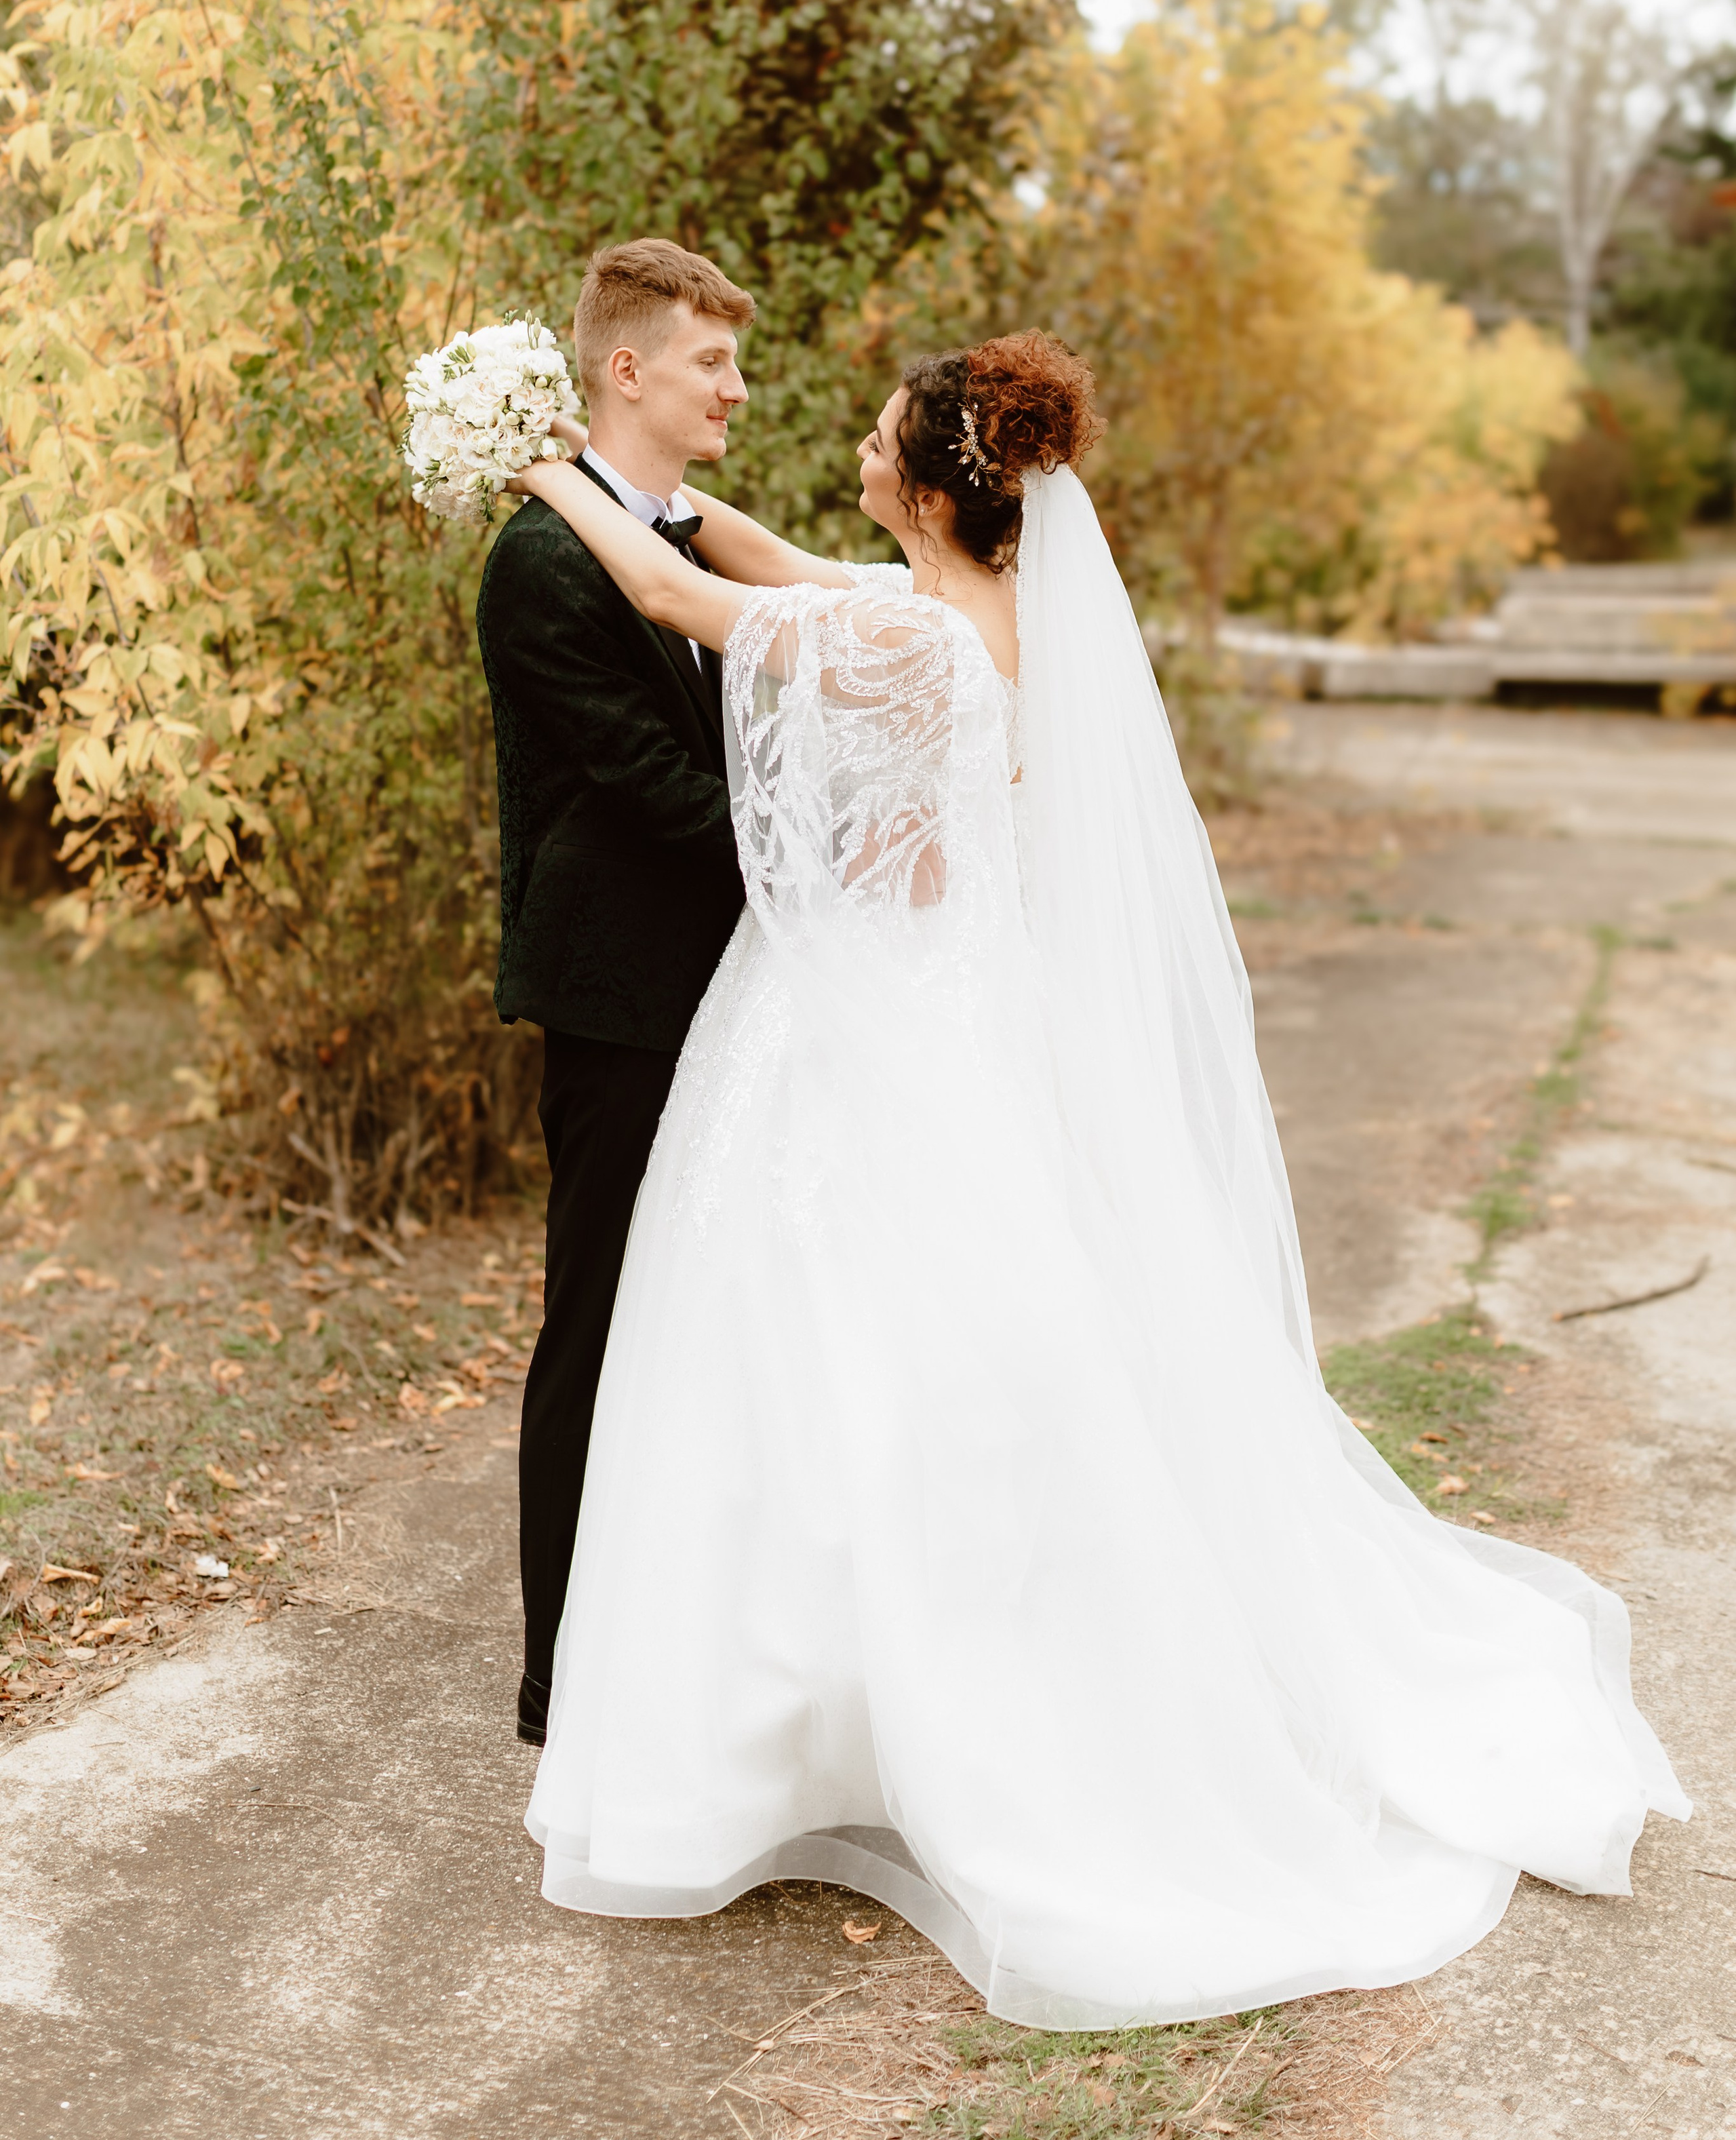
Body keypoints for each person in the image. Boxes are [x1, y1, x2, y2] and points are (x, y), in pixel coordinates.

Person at [503, 330, 1686, 2028]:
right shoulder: (973, 615)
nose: (848, 449)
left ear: (927, 484)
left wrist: (546, 475)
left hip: (866, 1020)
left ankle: (840, 1721)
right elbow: (759, 562)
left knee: (817, 1346)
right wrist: (683, 505)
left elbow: (685, 606)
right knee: (903, 1353)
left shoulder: (907, 638)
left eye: (873, 436)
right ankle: (855, 1700)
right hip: (947, 1006)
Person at [473, 239, 754, 1749]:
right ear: (623, 370)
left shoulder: (687, 538)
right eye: (709, 361)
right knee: (592, 1326)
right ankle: (559, 1679)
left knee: (708, 1322)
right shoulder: (537, 561)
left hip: (726, 989)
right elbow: (652, 789)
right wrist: (827, 873)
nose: (733, 387)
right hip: (617, 999)